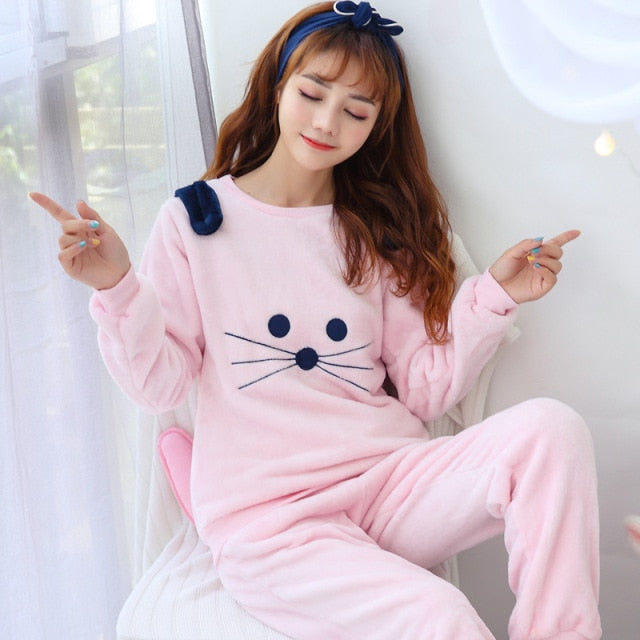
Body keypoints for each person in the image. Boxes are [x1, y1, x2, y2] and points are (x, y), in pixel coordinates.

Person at [30, 2, 601, 638]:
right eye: (312, 93)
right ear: (278, 84)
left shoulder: (373, 231)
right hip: (274, 523)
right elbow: (160, 385)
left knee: (552, 430)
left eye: (357, 111)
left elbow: (424, 389)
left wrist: (493, 295)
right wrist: (117, 287)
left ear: (376, 127)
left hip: (387, 483)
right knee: (442, 617)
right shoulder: (196, 222)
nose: (328, 122)